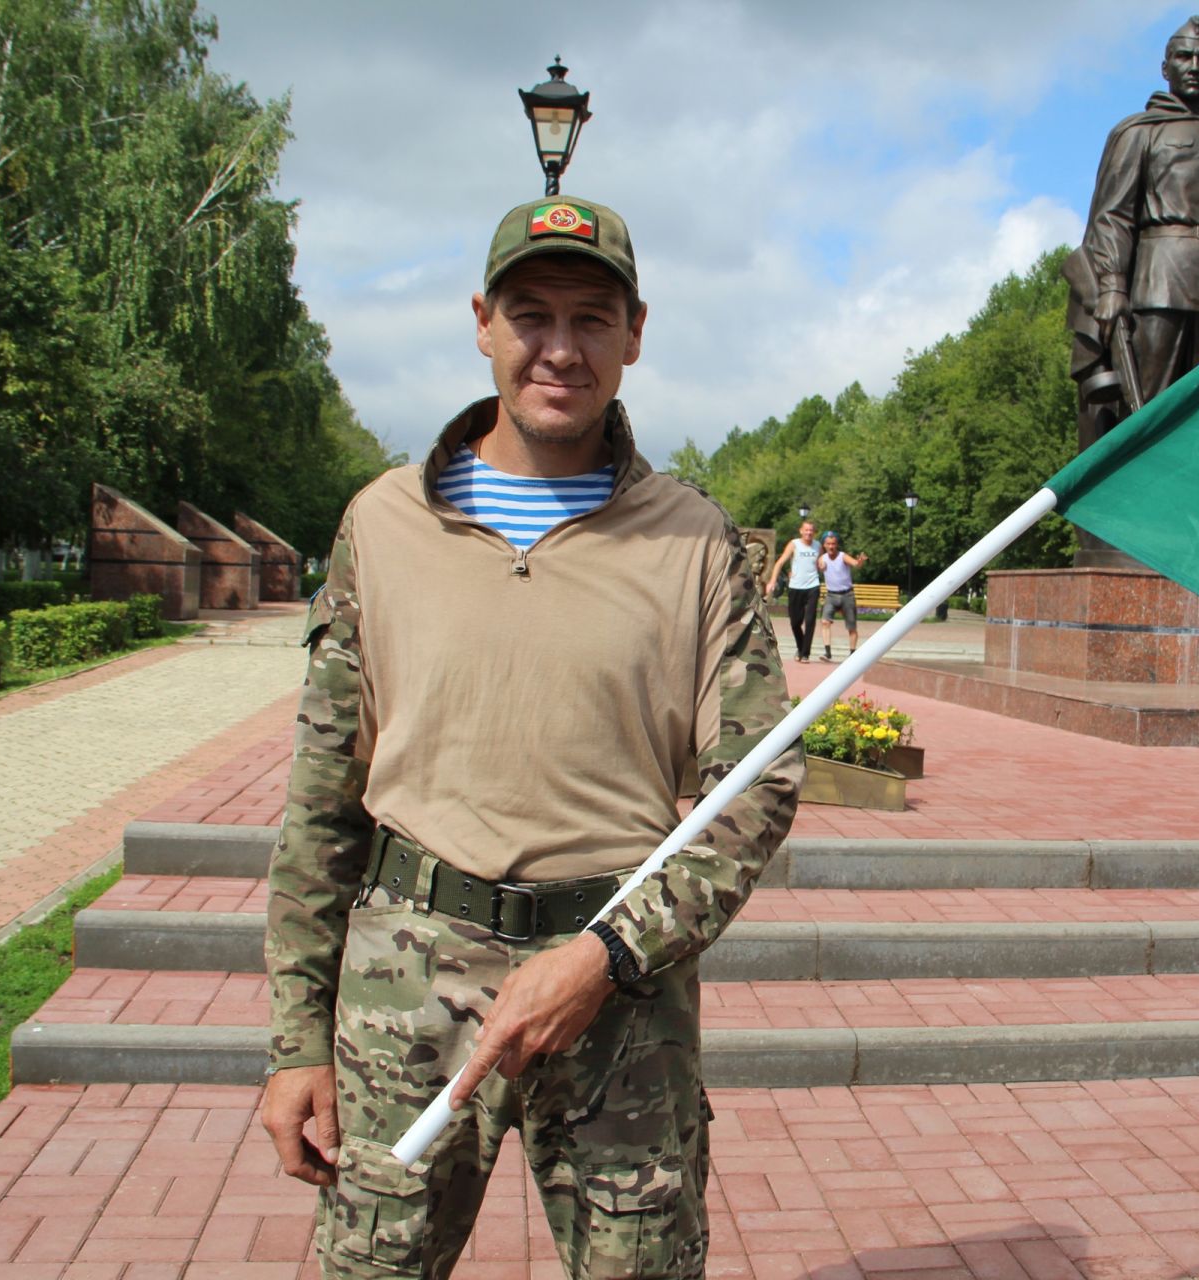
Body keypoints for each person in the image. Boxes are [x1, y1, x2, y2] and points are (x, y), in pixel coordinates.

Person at [259, 193, 802, 1280]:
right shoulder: (383, 523)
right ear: (482, 321)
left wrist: (604, 955)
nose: (561, 347)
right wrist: (295, 1041)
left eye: (593, 319)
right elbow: (324, 795)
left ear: (635, 333)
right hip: (405, 990)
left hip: (620, 1001)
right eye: (531, 314)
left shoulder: (693, 538)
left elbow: (755, 785)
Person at [1063, 13, 1199, 449]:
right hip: (1158, 285)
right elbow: (1113, 216)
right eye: (1184, 56)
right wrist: (1114, 287)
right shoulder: (1139, 133)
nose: (1194, 65)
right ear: (1165, 67)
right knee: (1148, 408)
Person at [765, 517, 821, 663]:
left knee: (810, 621)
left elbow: (821, 563)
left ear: (814, 532)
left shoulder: (817, 545)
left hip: (813, 586)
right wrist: (772, 581)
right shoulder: (794, 544)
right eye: (806, 530)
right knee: (795, 622)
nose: (809, 533)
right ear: (801, 531)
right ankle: (800, 647)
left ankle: (805, 654)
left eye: (811, 530)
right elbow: (780, 562)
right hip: (796, 586)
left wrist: (823, 566)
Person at [815, 531, 868, 660]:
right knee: (825, 622)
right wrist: (819, 567)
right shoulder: (823, 558)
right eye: (828, 544)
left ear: (837, 544)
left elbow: (855, 564)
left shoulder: (842, 556)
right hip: (831, 595)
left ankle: (852, 653)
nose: (831, 546)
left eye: (833, 544)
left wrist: (860, 561)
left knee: (851, 626)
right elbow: (819, 568)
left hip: (847, 594)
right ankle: (827, 652)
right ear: (824, 545)